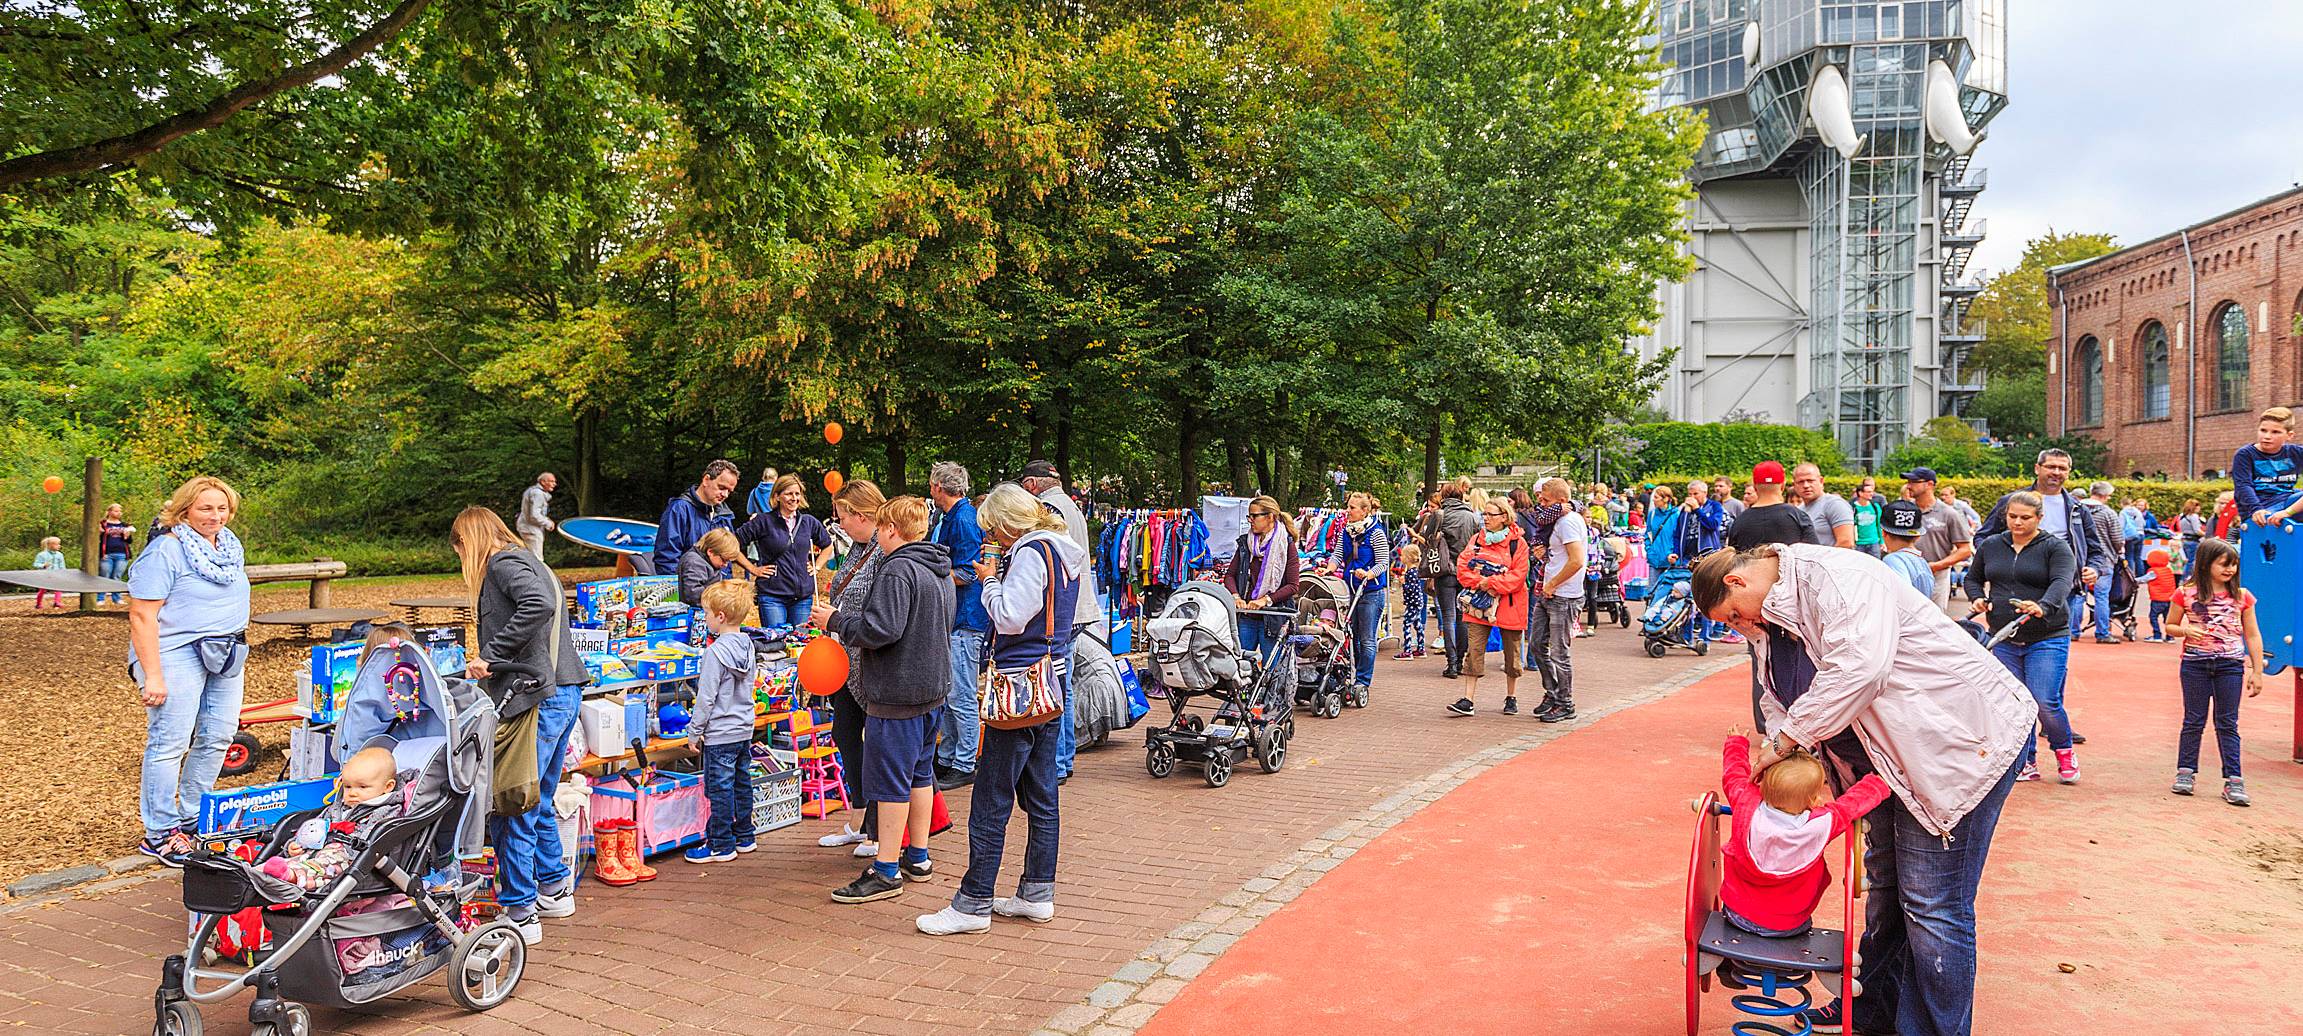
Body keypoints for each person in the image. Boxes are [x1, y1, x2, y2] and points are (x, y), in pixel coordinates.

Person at [1692, 544, 2032, 1036]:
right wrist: (1780, 747)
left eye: (1733, 616)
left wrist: (1789, 739)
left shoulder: (1837, 577)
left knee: (1932, 903)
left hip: (1954, 747)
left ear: (1737, 582)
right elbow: (1777, 693)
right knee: (1888, 888)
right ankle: (1874, 1012)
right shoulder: (1767, 620)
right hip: (1886, 763)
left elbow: (1860, 667)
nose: (1738, 625)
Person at [916, 483, 1085, 935]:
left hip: (1020, 682)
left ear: (1010, 523)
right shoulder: (1064, 551)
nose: (994, 538)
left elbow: (1010, 616)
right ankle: (1036, 891)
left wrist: (990, 581)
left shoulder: (1031, 553)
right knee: (1042, 793)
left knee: (991, 795)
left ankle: (973, 902)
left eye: (995, 529)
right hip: (1051, 678)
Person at [454, 505, 589, 943]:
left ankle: (519, 908)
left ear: (469, 540)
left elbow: (541, 604)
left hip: (534, 696)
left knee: (514, 801)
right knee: (540, 796)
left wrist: (492, 653)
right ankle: (554, 889)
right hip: (561, 689)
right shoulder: (529, 557)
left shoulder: (503, 563)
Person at [813, 496, 954, 905]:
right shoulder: (937, 565)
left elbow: (881, 630)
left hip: (899, 691)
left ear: (892, 529)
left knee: (891, 780)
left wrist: (836, 621)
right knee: (920, 774)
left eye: (880, 527)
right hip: (931, 688)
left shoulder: (898, 569)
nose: (876, 533)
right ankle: (919, 855)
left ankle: (887, 869)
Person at [129, 476, 252, 866]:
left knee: (218, 736)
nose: (215, 516)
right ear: (184, 511)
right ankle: (161, 831)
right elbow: (142, 614)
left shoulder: (229, 548)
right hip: (176, 653)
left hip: (226, 650)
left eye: (221, 508)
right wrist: (153, 675)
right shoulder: (166, 550)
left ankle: (193, 816)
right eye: (205, 508)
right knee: (170, 742)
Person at [1716, 730, 1890, 938]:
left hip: (1737, 915)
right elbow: (1850, 805)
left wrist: (1736, 743)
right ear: (1812, 800)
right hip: (1791, 924)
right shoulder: (1820, 824)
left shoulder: (1746, 802)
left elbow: (1734, 774)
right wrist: (1880, 782)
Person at [1963, 492, 2078, 784]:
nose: (2017, 522)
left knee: (2044, 700)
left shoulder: (2055, 548)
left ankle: (2064, 751)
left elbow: (2062, 582)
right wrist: (1978, 598)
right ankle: (2026, 761)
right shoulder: (1992, 545)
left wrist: (2043, 606)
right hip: (2003, 637)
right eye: (2012, 516)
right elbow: (1973, 578)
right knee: (2015, 703)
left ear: (2039, 518)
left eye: (2025, 518)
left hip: (2047, 635)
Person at [1017, 460, 1101, 783]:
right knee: (1062, 684)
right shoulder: (1072, 507)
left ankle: (1058, 761)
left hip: (1062, 611)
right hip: (1076, 608)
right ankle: (1063, 759)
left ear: (1033, 485)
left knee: (1057, 684)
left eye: (1024, 485)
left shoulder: (1048, 510)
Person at [2161, 537, 2262, 806]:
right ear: (2206, 565)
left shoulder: (2242, 596)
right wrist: (2185, 630)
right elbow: (2170, 625)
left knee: (2227, 722)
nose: (2230, 570)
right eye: (2224, 564)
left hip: (2230, 665)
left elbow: (2252, 634)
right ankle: (2186, 772)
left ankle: (2234, 779)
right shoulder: (2186, 593)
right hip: (2195, 664)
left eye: (2234, 565)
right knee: (2193, 720)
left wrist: (2257, 670)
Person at [1976, 450, 2110, 649]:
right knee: (2008, 648)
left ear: (2068, 472)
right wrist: (1997, 560)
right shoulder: (2012, 502)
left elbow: (2096, 550)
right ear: (2037, 468)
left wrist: (2094, 568)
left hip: (2062, 588)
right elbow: (1983, 537)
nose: (2056, 472)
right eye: (2051, 467)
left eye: (2062, 468)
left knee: (2054, 648)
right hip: (2016, 585)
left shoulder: (2078, 509)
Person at [817, 480, 887, 856]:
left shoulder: (882, 551)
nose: (839, 524)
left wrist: (836, 618)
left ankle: (876, 826)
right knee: (845, 734)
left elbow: (875, 610)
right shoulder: (859, 548)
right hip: (845, 658)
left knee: (874, 743)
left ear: (861, 515)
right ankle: (861, 818)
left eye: (843, 516)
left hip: (865, 659)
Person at [682, 579, 761, 864]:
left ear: (720, 617)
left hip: (720, 733)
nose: (705, 619)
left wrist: (694, 731)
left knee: (719, 788)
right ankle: (744, 835)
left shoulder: (715, 653)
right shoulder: (748, 646)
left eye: (706, 614)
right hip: (743, 727)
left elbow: (705, 698)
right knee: (741, 783)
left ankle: (720, 843)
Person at [259, 746, 411, 890]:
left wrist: (348, 844)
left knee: (326, 865)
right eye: (348, 787)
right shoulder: (339, 808)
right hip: (318, 851)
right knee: (296, 861)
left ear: (388, 787)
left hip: (351, 859)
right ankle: (263, 873)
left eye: (362, 787)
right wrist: (294, 845)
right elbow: (313, 827)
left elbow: (375, 839)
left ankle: (292, 877)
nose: (352, 793)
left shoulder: (387, 811)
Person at [924, 463, 989, 791]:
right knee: (949, 692)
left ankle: (964, 761)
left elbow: (967, 571)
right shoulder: (951, 516)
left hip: (965, 619)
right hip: (955, 617)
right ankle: (948, 755)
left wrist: (929, 575)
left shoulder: (963, 519)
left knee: (961, 693)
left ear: (938, 487)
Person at [1445, 497, 1529, 717]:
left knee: (1512, 653)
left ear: (1504, 517)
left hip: (1509, 605)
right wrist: (1479, 583)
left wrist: (1490, 583)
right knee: (1474, 651)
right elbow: (1463, 568)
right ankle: (1468, 699)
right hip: (1478, 605)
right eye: (1484, 514)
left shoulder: (1517, 543)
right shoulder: (1477, 540)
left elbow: (1518, 577)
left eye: (1490, 515)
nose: (1485, 519)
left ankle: (1511, 697)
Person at [731, 474, 832, 629]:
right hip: (772, 596)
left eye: (797, 494)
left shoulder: (808, 522)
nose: (794, 498)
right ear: (777, 496)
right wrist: (752, 569)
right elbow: (731, 544)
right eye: (789, 493)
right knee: (775, 644)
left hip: (802, 598)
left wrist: (817, 567)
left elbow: (828, 545)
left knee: (799, 643)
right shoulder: (763, 521)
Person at [1321, 491, 1391, 702]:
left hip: (1371, 591)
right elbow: (1337, 555)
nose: (1348, 511)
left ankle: (1362, 681)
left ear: (1364, 511)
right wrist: (1329, 568)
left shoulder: (1376, 533)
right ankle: (1354, 678)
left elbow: (1383, 562)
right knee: (1355, 638)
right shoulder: (1347, 532)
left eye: (1352, 508)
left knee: (1367, 639)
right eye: (1348, 507)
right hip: (1350, 589)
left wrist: (1369, 573)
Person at [1528, 478, 1585, 723]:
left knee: (1560, 653)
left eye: (1546, 500)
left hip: (1563, 595)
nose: (1541, 504)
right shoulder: (1556, 522)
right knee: (1536, 645)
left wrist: (1553, 583)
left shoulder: (1569, 522)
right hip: (1548, 591)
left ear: (1562, 501)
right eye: (1540, 499)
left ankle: (1566, 703)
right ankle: (1552, 693)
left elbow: (1576, 560)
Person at [1226, 495, 1301, 662]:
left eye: (1254, 516)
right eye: (1249, 516)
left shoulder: (1286, 545)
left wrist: (1265, 600)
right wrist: (1236, 596)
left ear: (1270, 517)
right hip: (1247, 615)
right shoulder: (1245, 543)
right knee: (1240, 665)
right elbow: (1230, 575)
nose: (1250, 520)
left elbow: (1293, 586)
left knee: (1271, 668)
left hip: (1273, 616)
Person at [1900, 468, 1974, 610]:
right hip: (1906, 574)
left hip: (1937, 577)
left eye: (1914, 482)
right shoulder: (1904, 511)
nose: (1909, 485)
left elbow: (1965, 550)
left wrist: (1937, 566)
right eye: (1908, 482)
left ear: (1929, 484)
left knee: (1934, 622)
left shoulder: (1948, 513)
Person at [651, 460, 740, 576]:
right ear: (706, 480)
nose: (725, 494)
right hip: (688, 587)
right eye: (721, 487)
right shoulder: (679, 510)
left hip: (716, 591)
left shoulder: (725, 516)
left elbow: (726, 561)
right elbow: (667, 559)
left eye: (729, 491)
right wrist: (680, 590)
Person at [1432, 480, 1480, 679]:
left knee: (1449, 617)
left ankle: (1452, 663)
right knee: (1463, 618)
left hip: (1444, 571)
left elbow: (1429, 540)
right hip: (1466, 572)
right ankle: (1460, 660)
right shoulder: (1472, 517)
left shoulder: (1440, 516)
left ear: (1444, 497)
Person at [2233, 406, 2303, 528]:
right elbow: (2243, 486)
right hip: (2261, 507)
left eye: (2275, 432)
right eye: (2263, 430)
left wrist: (2288, 512)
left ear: (2289, 435)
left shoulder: (2296, 452)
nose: (2267, 436)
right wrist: (2256, 509)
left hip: (2288, 503)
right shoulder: (2245, 454)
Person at [2078, 481, 2126, 644]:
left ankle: (2073, 630)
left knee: (2077, 595)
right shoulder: (2108, 513)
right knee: (2101, 597)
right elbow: (2118, 539)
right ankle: (2102, 632)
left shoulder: (2076, 509)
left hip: (2079, 558)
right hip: (2103, 560)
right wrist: (2118, 551)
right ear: (2105, 495)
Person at [1728, 462, 1812, 550]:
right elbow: (1814, 554)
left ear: (1755, 487)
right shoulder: (1799, 516)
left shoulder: (1739, 521)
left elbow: (1732, 558)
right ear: (1782, 486)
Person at [676, 527, 764, 608]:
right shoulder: (694, 562)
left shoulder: (710, 562)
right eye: (724, 560)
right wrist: (722, 597)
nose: (725, 565)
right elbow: (693, 594)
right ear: (710, 552)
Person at [1790, 463, 1855, 548]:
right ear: (1794, 485)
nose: (1806, 485)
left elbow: (1846, 543)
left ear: (1821, 481)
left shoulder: (1834, 504)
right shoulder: (1798, 510)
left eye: (1810, 480)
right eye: (1800, 482)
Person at [1878, 500, 1934, 598]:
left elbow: (1901, 596)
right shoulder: (1922, 562)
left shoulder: (1893, 560)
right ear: (1917, 536)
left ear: (1884, 533)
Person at [1394, 541, 1428, 659]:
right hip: (1417, 602)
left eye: (1403, 555)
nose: (1401, 557)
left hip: (1413, 603)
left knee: (1407, 624)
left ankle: (1407, 650)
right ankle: (1421, 648)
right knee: (1418, 625)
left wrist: (1404, 584)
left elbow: (1412, 589)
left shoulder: (1411, 572)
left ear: (1408, 558)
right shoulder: (1414, 571)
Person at [2139, 546, 2178, 642]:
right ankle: (2170, 636)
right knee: (2167, 619)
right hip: (2169, 599)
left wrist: (2133, 580)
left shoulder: (2154, 572)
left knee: (2153, 617)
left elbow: (2143, 579)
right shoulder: (2168, 570)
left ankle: (2157, 635)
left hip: (2158, 599)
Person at [99, 503, 136, 603]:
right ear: (109, 512)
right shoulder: (103, 524)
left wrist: (127, 536)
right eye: (116, 511)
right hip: (106, 553)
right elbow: (98, 537)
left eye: (120, 511)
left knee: (117, 576)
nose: (119, 513)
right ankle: (100, 598)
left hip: (122, 553)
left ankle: (117, 598)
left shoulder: (124, 525)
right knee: (104, 575)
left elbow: (129, 541)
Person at [516, 472, 557, 559]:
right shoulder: (538, 493)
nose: (554, 484)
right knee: (537, 558)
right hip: (531, 528)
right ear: (543, 482)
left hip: (525, 526)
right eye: (551, 481)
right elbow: (534, 515)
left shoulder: (531, 491)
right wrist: (548, 523)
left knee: (531, 556)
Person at [1849, 478, 1884, 557]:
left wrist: (1882, 541)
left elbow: (1879, 525)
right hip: (1859, 544)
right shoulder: (1853, 507)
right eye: (1868, 492)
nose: (1871, 494)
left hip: (1874, 543)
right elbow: (1851, 526)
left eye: (1872, 492)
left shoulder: (1875, 506)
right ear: (1861, 493)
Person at [31, 536, 67, 609]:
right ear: (49, 545)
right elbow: (36, 564)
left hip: (56, 575)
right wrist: (43, 565)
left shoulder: (60, 555)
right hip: (45, 575)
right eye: (56, 544)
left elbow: (62, 565)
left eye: (59, 544)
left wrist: (64, 573)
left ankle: (57, 602)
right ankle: (38, 604)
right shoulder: (41, 554)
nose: (59, 546)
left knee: (58, 588)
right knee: (42, 589)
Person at [2176, 498, 2206, 568]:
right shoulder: (2194, 516)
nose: (2199, 507)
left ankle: (2183, 577)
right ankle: (2187, 577)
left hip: (2184, 540)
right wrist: (2207, 534)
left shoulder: (2182, 516)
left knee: (2186, 560)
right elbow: (2197, 531)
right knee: (2191, 562)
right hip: (2193, 541)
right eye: (2197, 505)